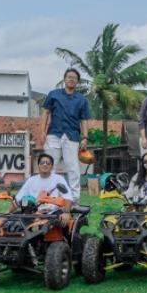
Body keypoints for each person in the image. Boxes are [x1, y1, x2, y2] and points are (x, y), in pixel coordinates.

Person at [42, 68, 91, 200]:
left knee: (73, 168)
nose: (71, 79)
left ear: (77, 82)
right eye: (69, 77)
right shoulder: (53, 94)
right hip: (53, 134)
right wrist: (42, 131)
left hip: (72, 136)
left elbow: (84, 119)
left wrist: (85, 137)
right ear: (64, 79)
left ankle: (74, 200)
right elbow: (46, 112)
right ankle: (50, 199)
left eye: (74, 78)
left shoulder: (82, 99)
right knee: (50, 166)